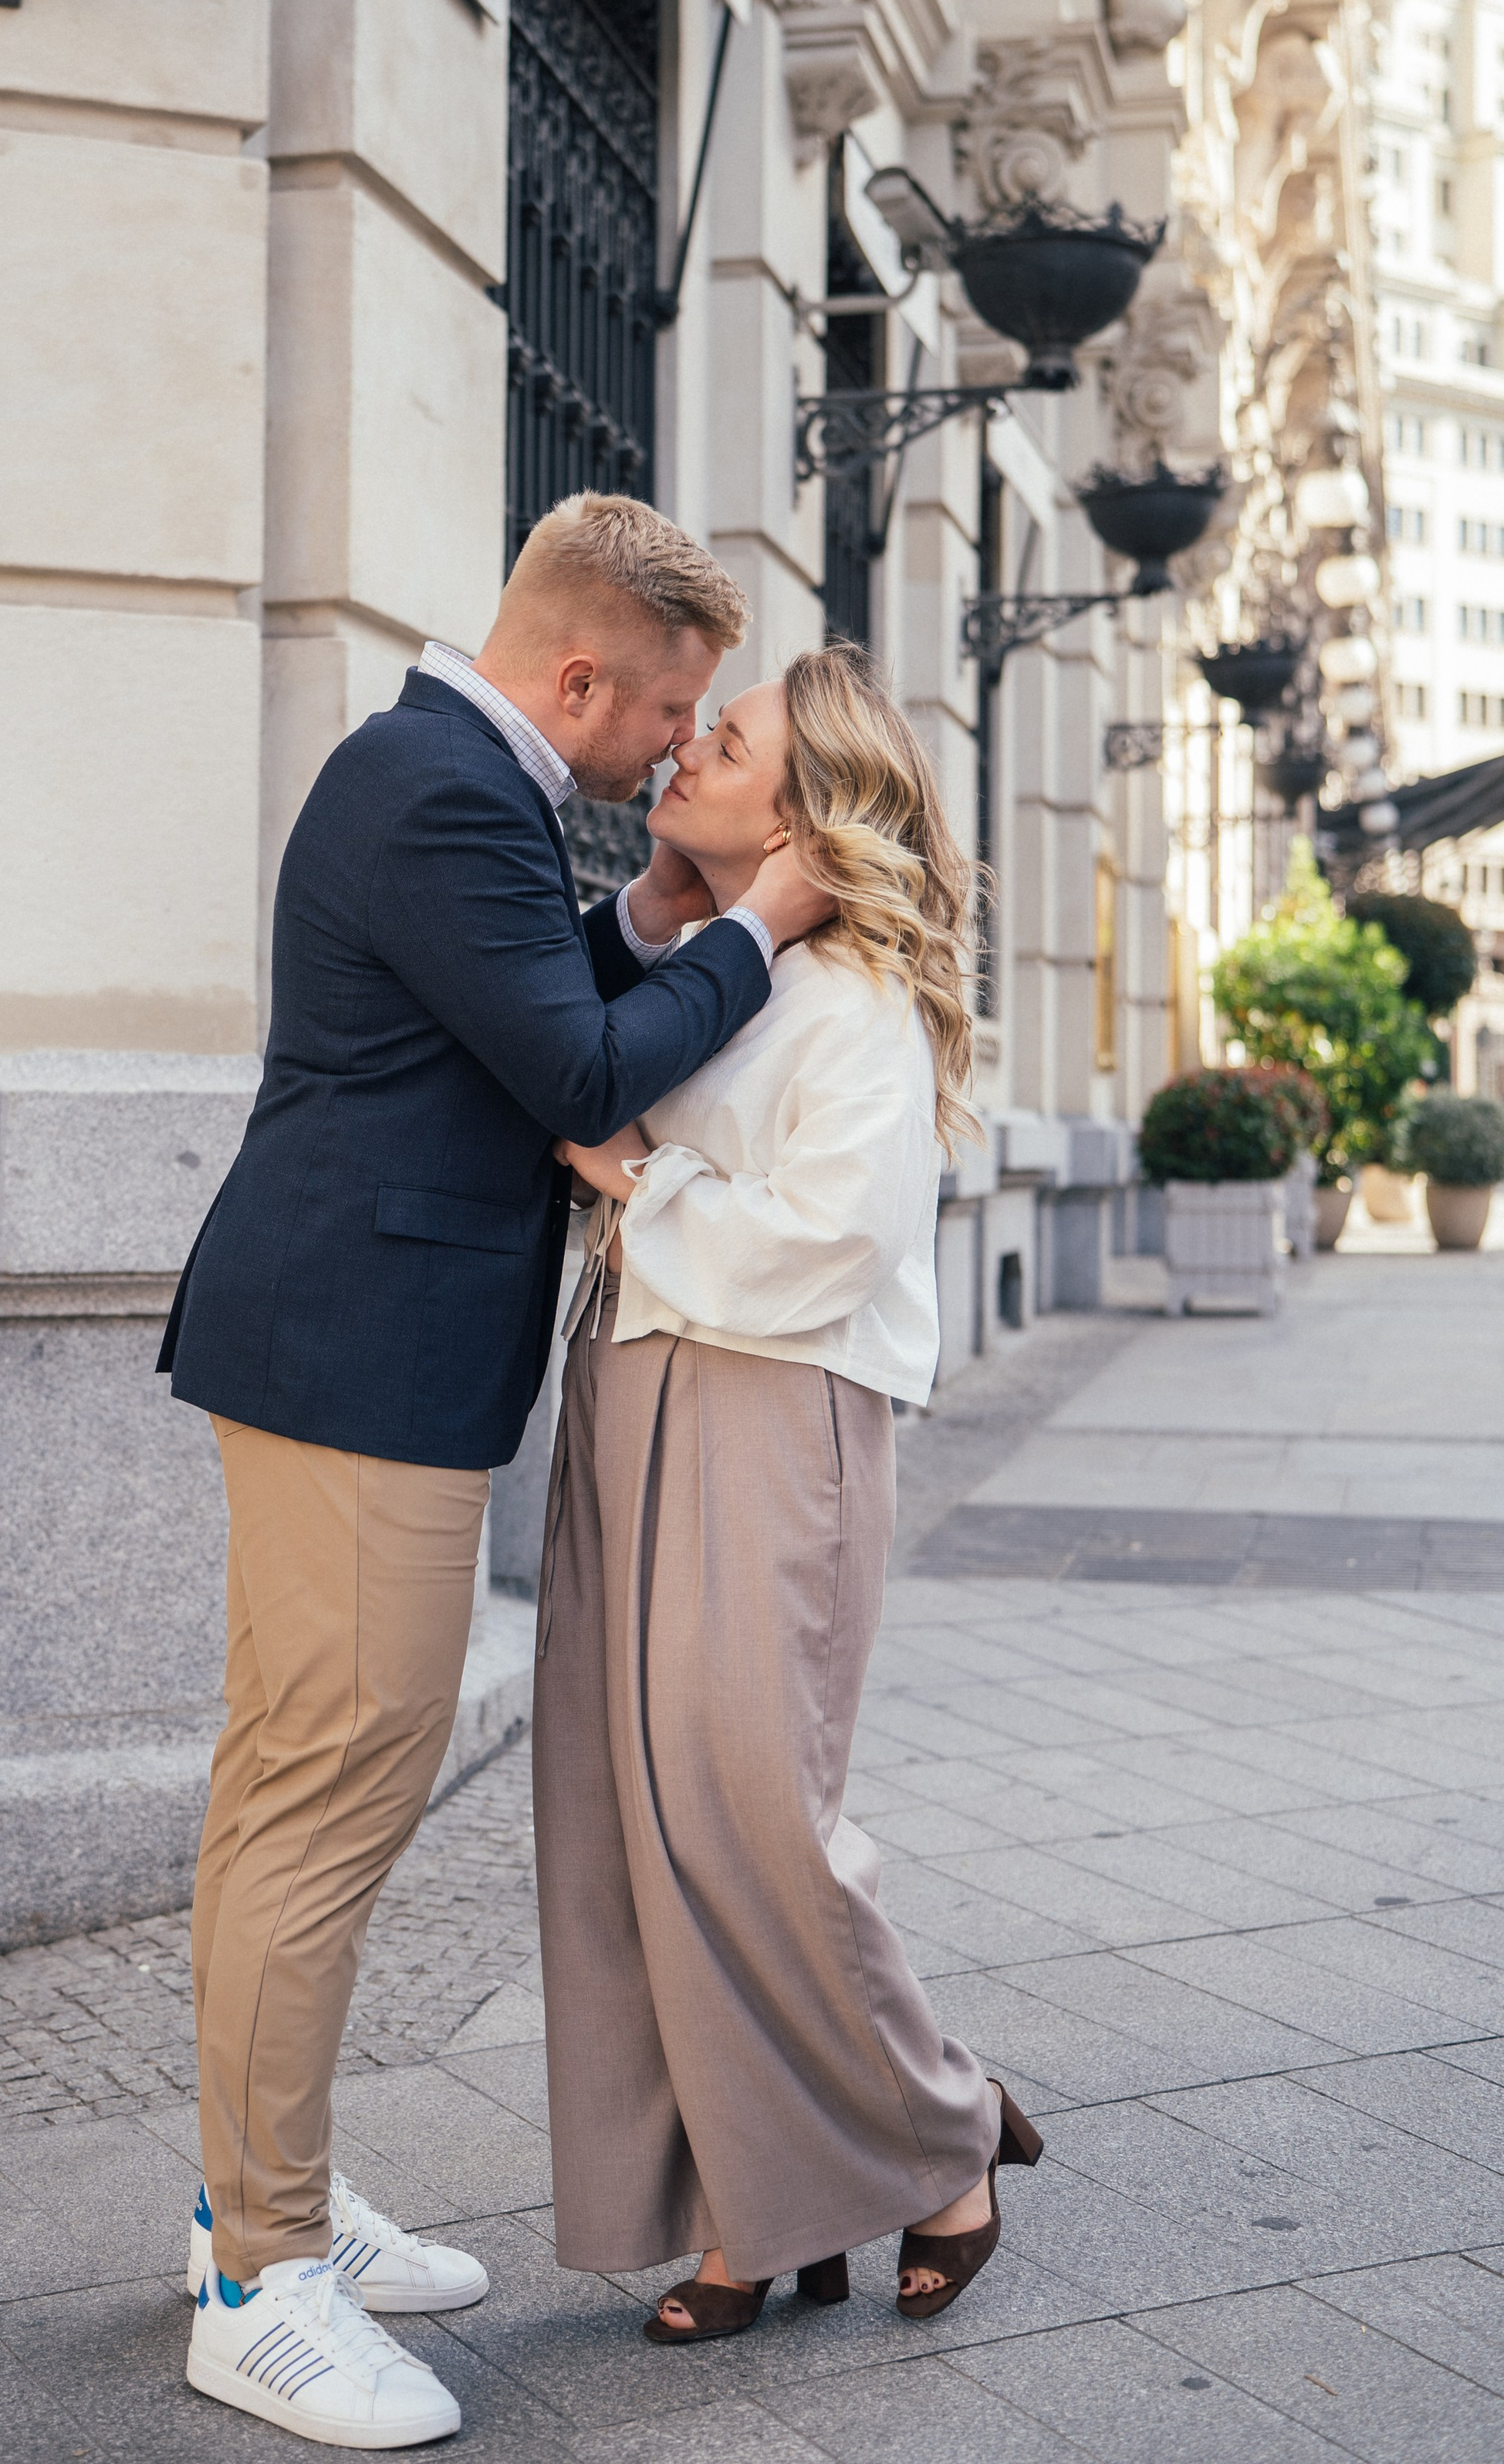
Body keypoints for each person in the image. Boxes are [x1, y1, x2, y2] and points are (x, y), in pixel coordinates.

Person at [161, 494, 833, 2448]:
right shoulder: (446, 782)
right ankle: (258, 2277)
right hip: (352, 1358)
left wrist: (638, 927)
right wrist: (766, 927)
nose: (669, 750)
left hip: (345, 1345)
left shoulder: (444, 770)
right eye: (665, 711)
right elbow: (566, 1074)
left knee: (290, 1782)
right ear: (578, 676)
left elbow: (507, 994)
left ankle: (249, 2201)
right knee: (323, 1796)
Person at [536, 641, 1044, 2350]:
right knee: (642, 1821)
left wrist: (633, 1180)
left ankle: (941, 2124)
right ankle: (754, 2210)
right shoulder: (710, 957)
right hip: (631, 1384)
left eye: (722, 738)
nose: (681, 748)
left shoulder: (857, 1002)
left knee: (755, 1808)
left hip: (774, 1406)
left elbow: (832, 1240)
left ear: (807, 806)